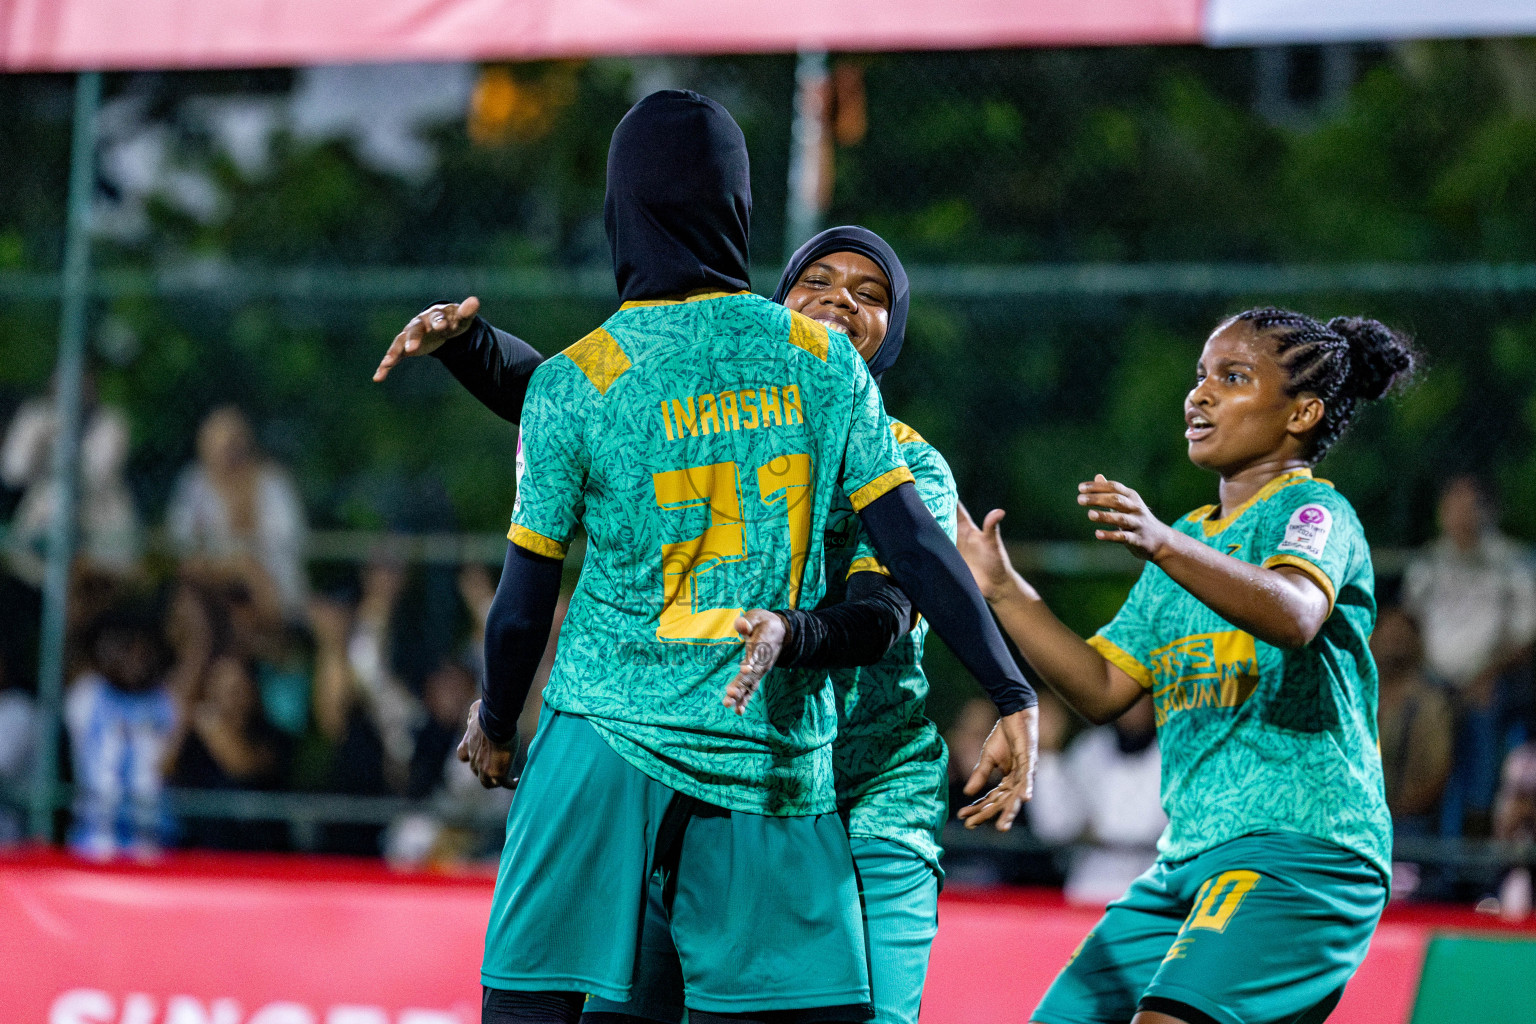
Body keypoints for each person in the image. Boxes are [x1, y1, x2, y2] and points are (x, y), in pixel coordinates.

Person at [403, 91, 1039, 1024]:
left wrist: (499, 718)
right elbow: (911, 541)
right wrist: (1011, 690)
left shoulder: (589, 373)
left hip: (611, 752)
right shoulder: (820, 368)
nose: (839, 305)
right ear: (743, 219)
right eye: (823, 283)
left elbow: (525, 596)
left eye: (868, 294)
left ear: (618, 211)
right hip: (768, 760)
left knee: (549, 1008)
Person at [957, 307, 1414, 1024]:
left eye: (1232, 378)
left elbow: (1295, 613)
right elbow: (1104, 689)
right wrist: (1004, 591)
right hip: (1187, 862)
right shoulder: (1192, 541)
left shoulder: (1315, 513)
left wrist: (1162, 544)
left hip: (1302, 853)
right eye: (1200, 376)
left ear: (1303, 412)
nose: (1198, 395)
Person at [1402, 475, 1536, 837]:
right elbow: (1409, 626)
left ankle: (1476, 851)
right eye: (1451, 505)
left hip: (1493, 681)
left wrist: (1487, 675)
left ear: (1488, 511)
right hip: (1432, 682)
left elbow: (1525, 638)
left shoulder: (1513, 562)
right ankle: (1412, 843)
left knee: (1483, 722)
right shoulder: (1427, 563)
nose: (1459, 516)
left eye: (1468, 505)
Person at [166, 406, 308, 621]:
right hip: (210, 579)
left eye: (233, 444)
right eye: (220, 446)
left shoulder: (271, 483)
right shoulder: (194, 483)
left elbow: (288, 542)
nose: (228, 454)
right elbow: (180, 540)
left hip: (269, 581)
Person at [1029, 693, 1166, 907]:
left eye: (1141, 697)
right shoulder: (1090, 748)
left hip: (1152, 896)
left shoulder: (1174, 752)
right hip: (1089, 893)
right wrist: (1047, 752)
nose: (1134, 708)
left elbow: (1150, 829)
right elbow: (1054, 827)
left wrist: (1096, 831)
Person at [64, 606, 177, 860]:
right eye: (126, 648)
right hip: (92, 843)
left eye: (143, 651)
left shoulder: (167, 700)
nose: (136, 658)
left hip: (153, 847)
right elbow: (68, 647)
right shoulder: (87, 695)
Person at [1371, 605, 1453, 834]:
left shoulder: (1431, 703)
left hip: (1406, 822)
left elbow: (1436, 774)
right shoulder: (1354, 694)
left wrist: (1393, 809)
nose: (1393, 640)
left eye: (1401, 634)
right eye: (1387, 633)